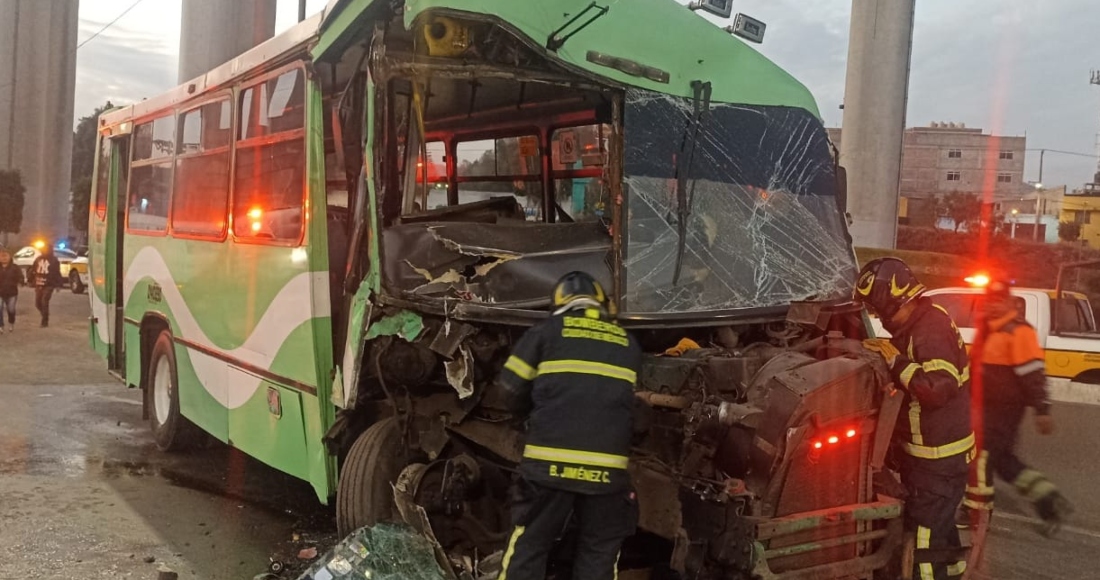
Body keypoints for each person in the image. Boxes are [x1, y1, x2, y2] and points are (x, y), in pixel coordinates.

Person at [496, 271, 641, 580]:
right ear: (602, 304)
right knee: (598, 554)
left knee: (530, 545)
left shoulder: (545, 333)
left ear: (559, 303)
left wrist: (527, 417)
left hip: (548, 470)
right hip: (606, 475)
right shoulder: (627, 343)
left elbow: (508, 390)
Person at [856, 258, 973, 580]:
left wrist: (895, 361)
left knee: (924, 544)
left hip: (937, 462)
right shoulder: (922, 321)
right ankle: (954, 573)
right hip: (936, 460)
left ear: (894, 301)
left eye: (878, 310)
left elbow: (938, 388)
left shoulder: (929, 330)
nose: (878, 318)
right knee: (940, 526)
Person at [964, 279, 1073, 536]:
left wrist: (1042, 410)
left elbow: (1033, 373)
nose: (991, 305)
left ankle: (977, 514)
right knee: (1004, 462)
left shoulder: (1018, 332)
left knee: (982, 457)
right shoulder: (988, 330)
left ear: (1010, 303)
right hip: (985, 408)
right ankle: (1049, 500)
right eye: (988, 300)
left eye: (998, 300)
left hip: (1004, 410)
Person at [30, 244, 62, 327]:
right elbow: (33, 270)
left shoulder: (54, 260)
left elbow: (57, 273)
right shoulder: (38, 259)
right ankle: (44, 313)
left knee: (44, 301)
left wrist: (58, 284)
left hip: (49, 284)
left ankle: (44, 321)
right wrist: (30, 280)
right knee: (37, 303)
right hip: (39, 283)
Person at [0, 247, 20, 333]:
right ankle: (1, 325)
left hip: (12, 292)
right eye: (2, 256)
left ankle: (11, 322)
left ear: (10, 257)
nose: (4, 258)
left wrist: (21, 281)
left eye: (6, 256)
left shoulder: (15, 268)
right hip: (0, 292)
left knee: (11, 309)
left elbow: (20, 277)